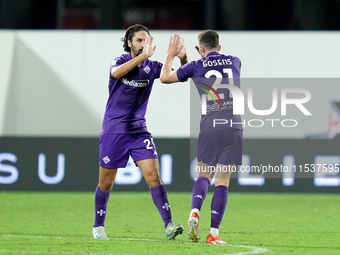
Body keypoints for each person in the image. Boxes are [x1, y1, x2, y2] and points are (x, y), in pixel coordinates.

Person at [92, 24, 187, 240]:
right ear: (129, 43)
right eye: (139, 40)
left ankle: (169, 225)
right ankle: (98, 226)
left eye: (146, 40)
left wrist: (180, 57)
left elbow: (179, 75)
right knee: (107, 182)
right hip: (114, 131)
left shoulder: (152, 67)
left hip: (138, 131)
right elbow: (116, 73)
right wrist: (141, 58)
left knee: (154, 176)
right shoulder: (119, 62)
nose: (144, 44)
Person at [160, 31, 243, 244]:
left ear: (201, 49)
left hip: (209, 127)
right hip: (233, 126)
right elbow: (210, 67)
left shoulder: (196, 66)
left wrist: (173, 55)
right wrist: (196, 57)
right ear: (220, 46)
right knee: (223, 182)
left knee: (205, 175)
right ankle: (213, 234)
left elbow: (166, 77)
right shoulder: (235, 61)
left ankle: (195, 212)